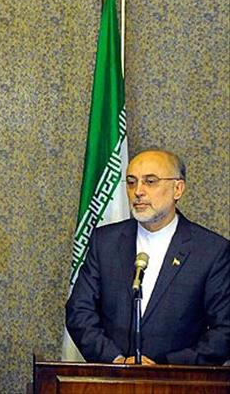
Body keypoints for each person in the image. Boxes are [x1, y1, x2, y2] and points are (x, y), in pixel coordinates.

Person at [66, 149, 230, 365]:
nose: (138, 191)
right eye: (131, 182)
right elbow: (79, 311)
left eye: (150, 182)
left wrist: (164, 367)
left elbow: (224, 330)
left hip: (176, 380)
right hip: (113, 376)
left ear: (178, 189)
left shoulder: (211, 250)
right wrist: (115, 360)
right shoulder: (104, 242)